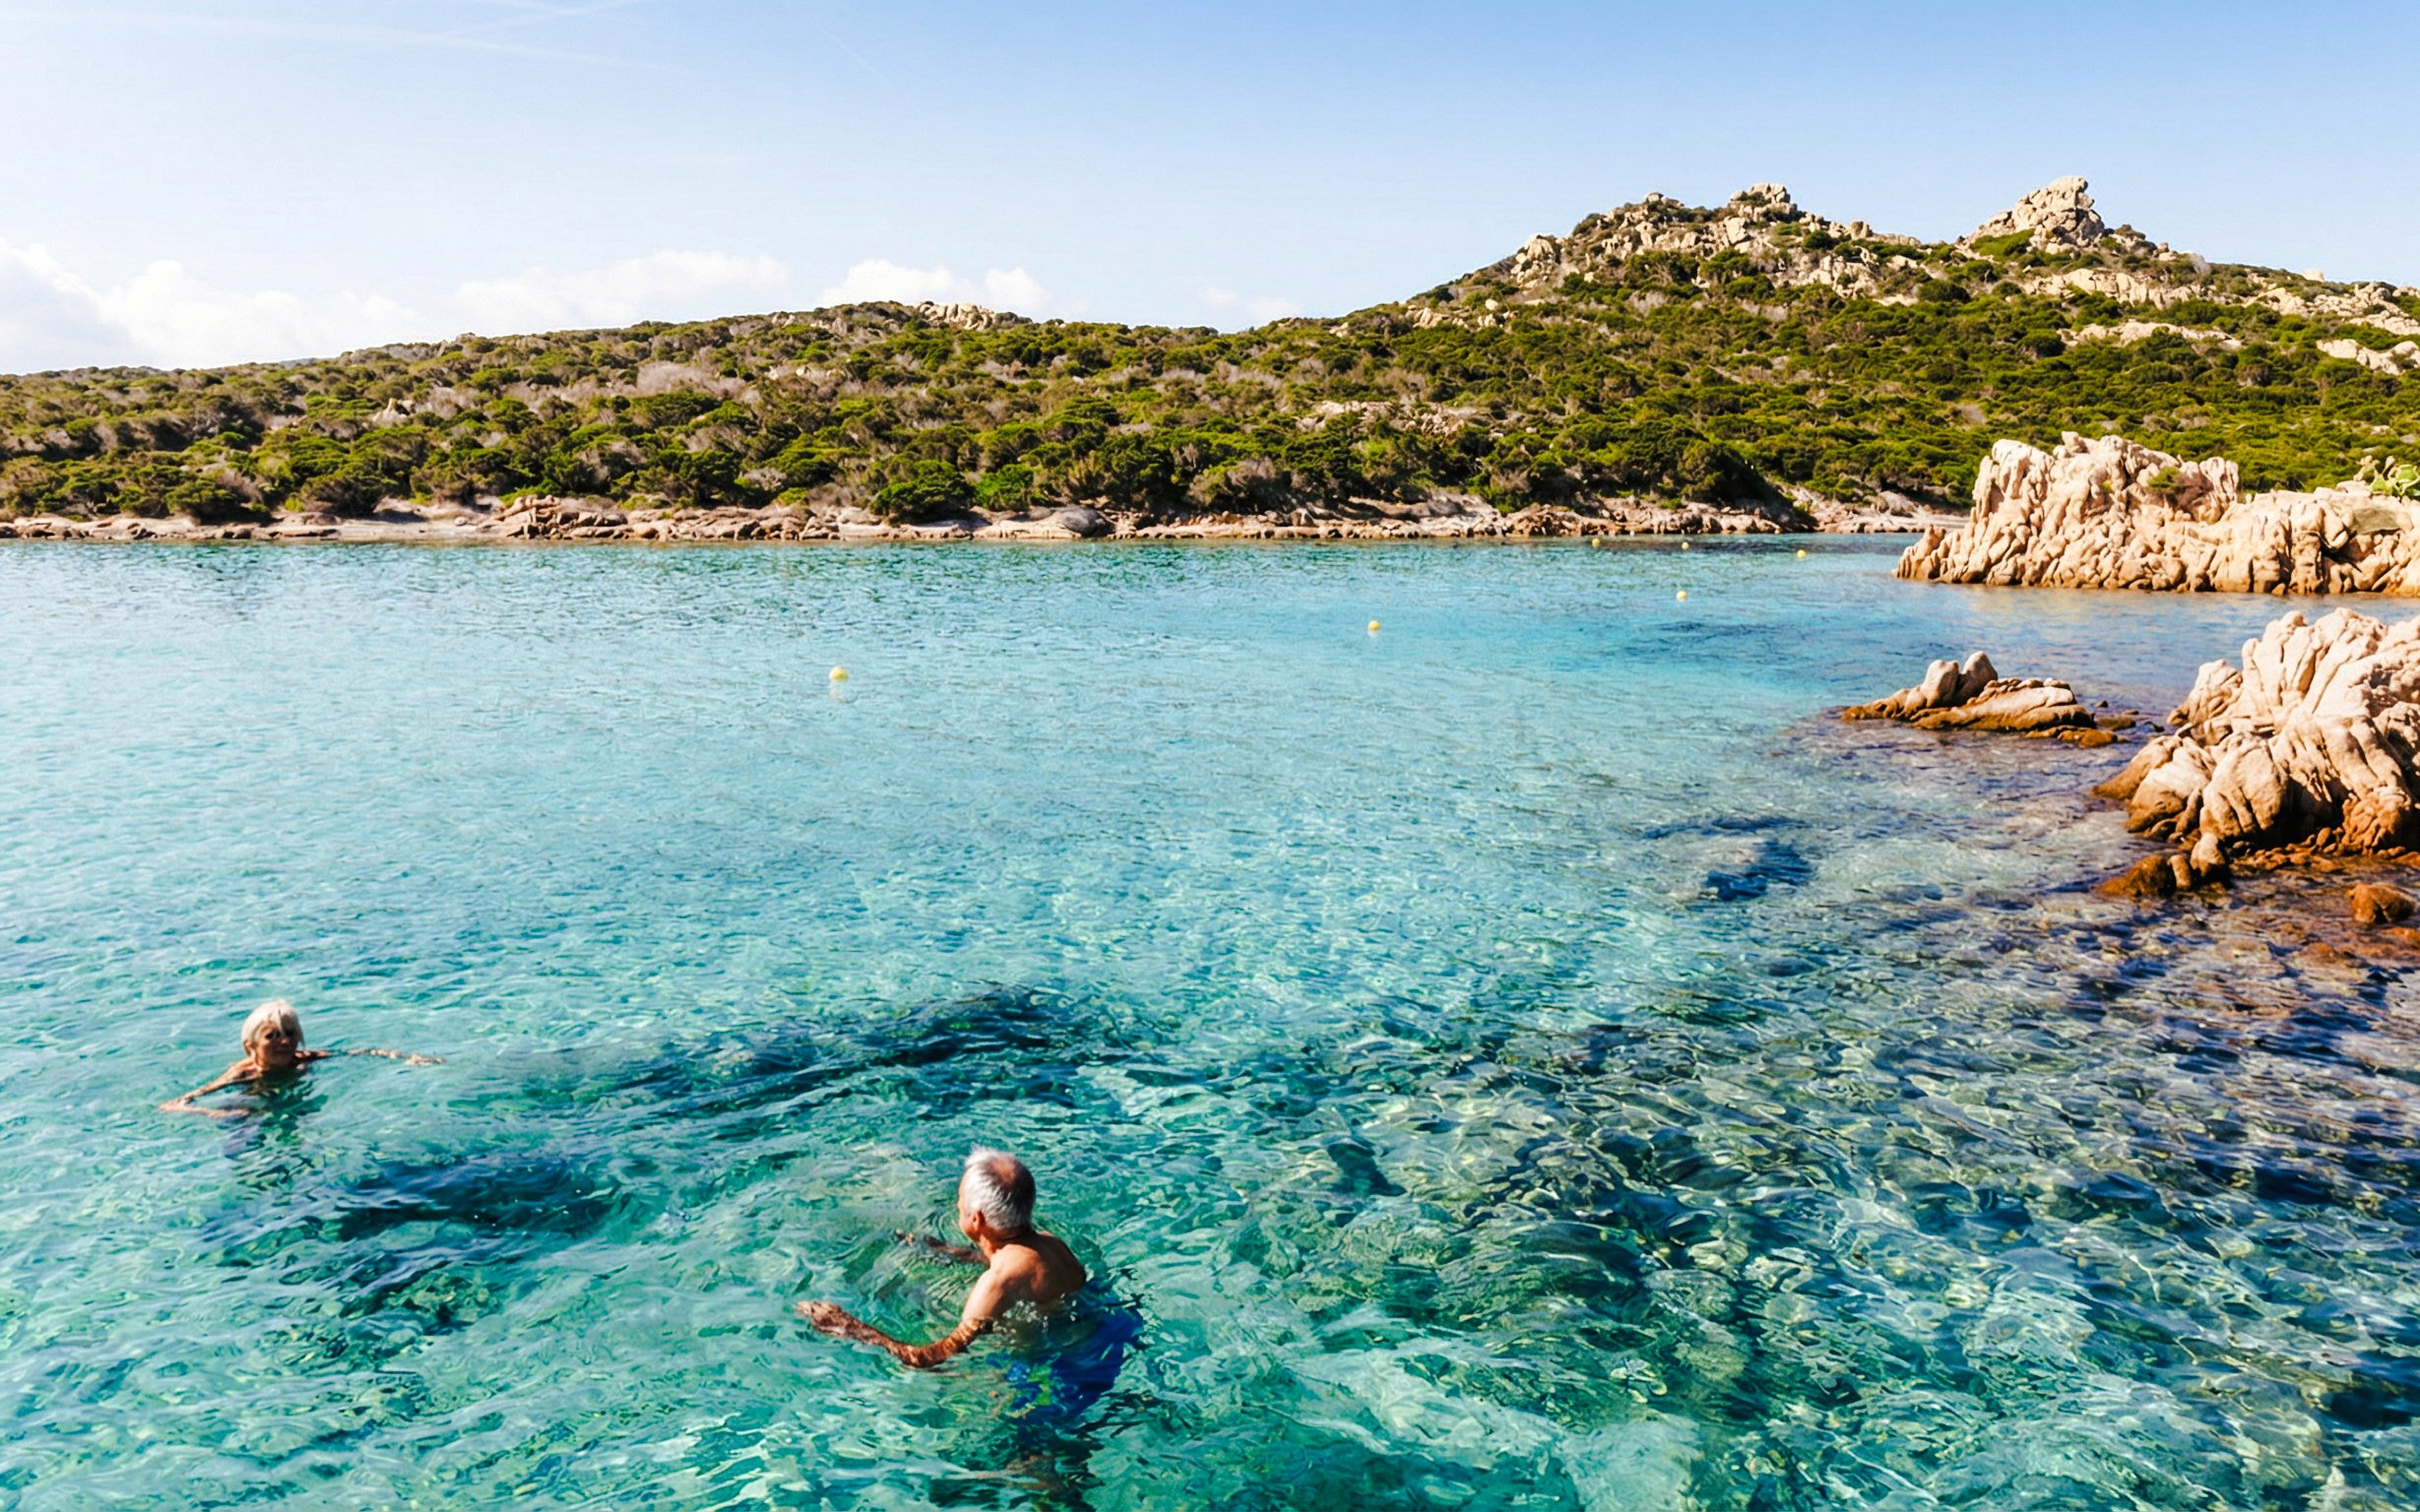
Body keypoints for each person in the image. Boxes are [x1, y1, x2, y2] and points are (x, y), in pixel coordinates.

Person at [798, 1146, 1089, 1369]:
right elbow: (1020, 1268)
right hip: (1092, 1346)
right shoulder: (1051, 1242)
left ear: (976, 1219)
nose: (955, 1204)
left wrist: (853, 1328)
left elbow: (934, 1358)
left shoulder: (996, 1285)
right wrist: (949, 1252)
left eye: (960, 1202)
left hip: (1055, 1375)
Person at [159, 998, 439, 1117]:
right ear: (251, 1046)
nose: (284, 1042)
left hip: (288, 1102)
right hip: (248, 1104)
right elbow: (176, 1104)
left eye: (290, 1033)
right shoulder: (243, 1074)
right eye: (272, 1036)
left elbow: (361, 1053)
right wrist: (214, 1113)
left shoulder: (304, 1059)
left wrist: (407, 1057)